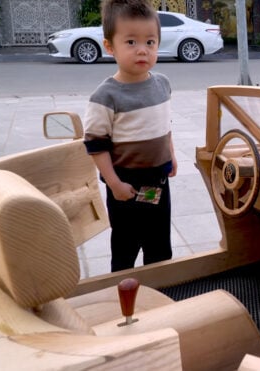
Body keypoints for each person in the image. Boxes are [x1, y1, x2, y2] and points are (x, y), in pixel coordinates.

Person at [82, 0, 177, 272]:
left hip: (158, 183)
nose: (142, 50)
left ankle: (160, 296)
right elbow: (96, 145)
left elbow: (163, 124)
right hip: (127, 187)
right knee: (125, 248)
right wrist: (113, 184)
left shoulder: (162, 84)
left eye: (150, 42)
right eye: (131, 42)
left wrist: (170, 153)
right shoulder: (105, 96)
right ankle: (123, 299)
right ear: (110, 46)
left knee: (160, 248)